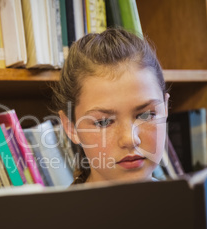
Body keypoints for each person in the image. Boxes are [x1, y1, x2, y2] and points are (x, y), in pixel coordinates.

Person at [51, 28, 169, 185]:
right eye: (104, 122)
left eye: (146, 115)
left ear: (165, 108)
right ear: (71, 127)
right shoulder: (58, 210)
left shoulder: (194, 206)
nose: (130, 139)